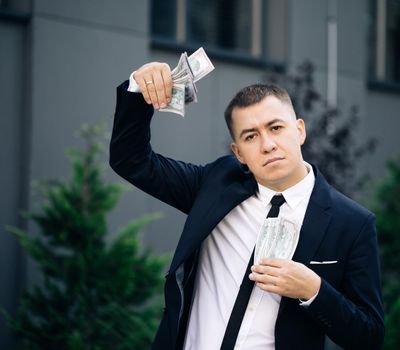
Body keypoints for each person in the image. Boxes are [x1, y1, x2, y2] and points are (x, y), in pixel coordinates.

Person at [109, 62, 384, 350]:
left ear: (300, 130)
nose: (267, 145)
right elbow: (132, 161)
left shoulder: (352, 223)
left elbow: (369, 335)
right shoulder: (214, 185)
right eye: (251, 136)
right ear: (238, 152)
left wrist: (314, 291)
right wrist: (139, 89)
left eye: (276, 128)